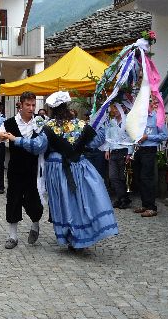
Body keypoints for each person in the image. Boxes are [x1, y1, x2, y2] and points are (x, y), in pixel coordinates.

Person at [41, 91, 118, 250]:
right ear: (67, 106)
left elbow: (41, 147)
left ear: (52, 109)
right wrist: (102, 125)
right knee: (79, 201)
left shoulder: (48, 127)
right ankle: (81, 235)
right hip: (78, 167)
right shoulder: (80, 124)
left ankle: (69, 235)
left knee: (63, 202)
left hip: (56, 169)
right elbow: (95, 142)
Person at [0, 92, 46, 248]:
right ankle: (12, 236)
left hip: (34, 168)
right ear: (20, 105)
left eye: (33, 105)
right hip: (15, 167)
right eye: (28, 105)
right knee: (13, 199)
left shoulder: (40, 122)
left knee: (34, 200)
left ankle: (35, 223)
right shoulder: (9, 123)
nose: (31, 108)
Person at [133, 95, 168, 218]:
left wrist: (148, 137)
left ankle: (151, 207)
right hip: (139, 149)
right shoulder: (140, 118)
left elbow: (164, 135)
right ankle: (145, 204)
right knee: (139, 177)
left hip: (149, 150)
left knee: (147, 178)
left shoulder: (157, 118)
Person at [102, 104, 134, 209]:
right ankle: (123, 198)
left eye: (117, 108)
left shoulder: (128, 121)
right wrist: (107, 149)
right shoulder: (112, 122)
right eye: (113, 108)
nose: (114, 110)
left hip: (123, 151)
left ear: (123, 108)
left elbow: (131, 137)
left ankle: (122, 199)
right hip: (113, 151)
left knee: (122, 177)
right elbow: (108, 136)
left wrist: (130, 152)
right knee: (113, 176)